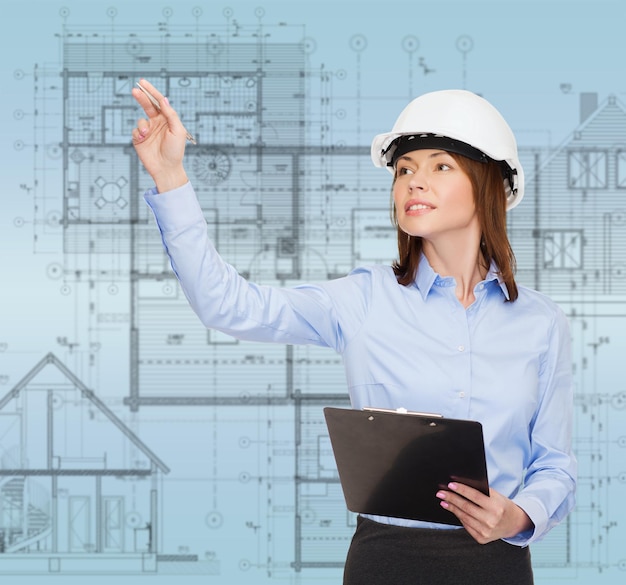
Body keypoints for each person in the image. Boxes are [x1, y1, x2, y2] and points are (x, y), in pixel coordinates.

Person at [131, 80, 576, 585]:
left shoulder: (541, 323)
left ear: (490, 183)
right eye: (404, 169)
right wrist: (170, 175)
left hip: (496, 566)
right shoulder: (363, 299)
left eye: (439, 166)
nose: (414, 181)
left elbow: (555, 465)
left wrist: (517, 516)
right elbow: (226, 305)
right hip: (385, 563)